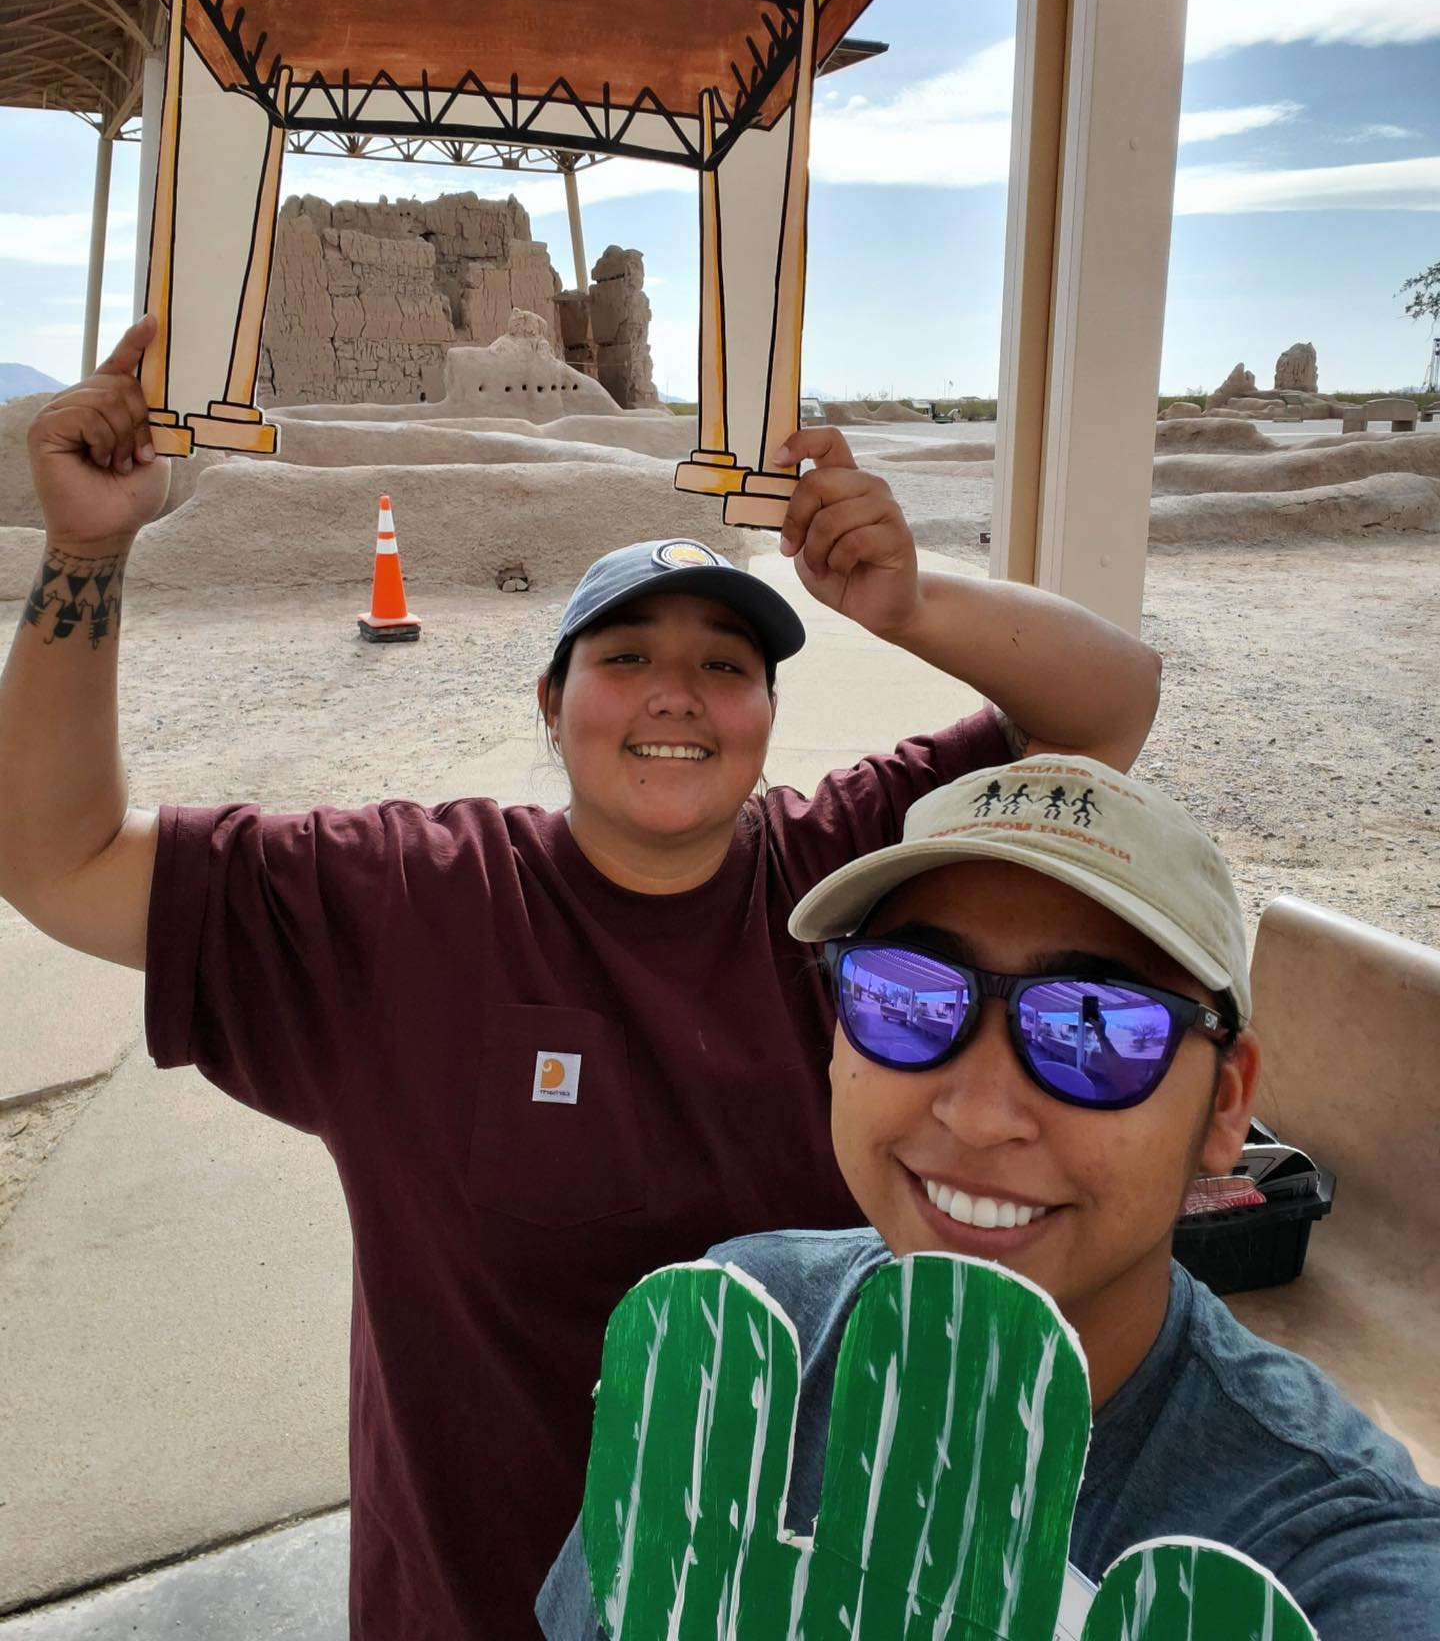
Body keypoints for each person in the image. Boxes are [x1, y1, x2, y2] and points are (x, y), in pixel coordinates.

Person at [0, 318, 1161, 1640]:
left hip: (802, 1609)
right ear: (550, 706)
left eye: (726, 667)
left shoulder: (851, 870)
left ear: (768, 718)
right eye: (625, 658)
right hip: (478, 1610)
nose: (678, 694)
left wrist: (905, 602)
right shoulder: (409, 904)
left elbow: (1104, 710)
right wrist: (88, 553)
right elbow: (60, 859)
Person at [538, 753, 1440, 1640]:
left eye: (1093, 1028)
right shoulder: (724, 1343)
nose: (977, 1114)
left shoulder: (1321, 1546)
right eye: (905, 999)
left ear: (1227, 1104)